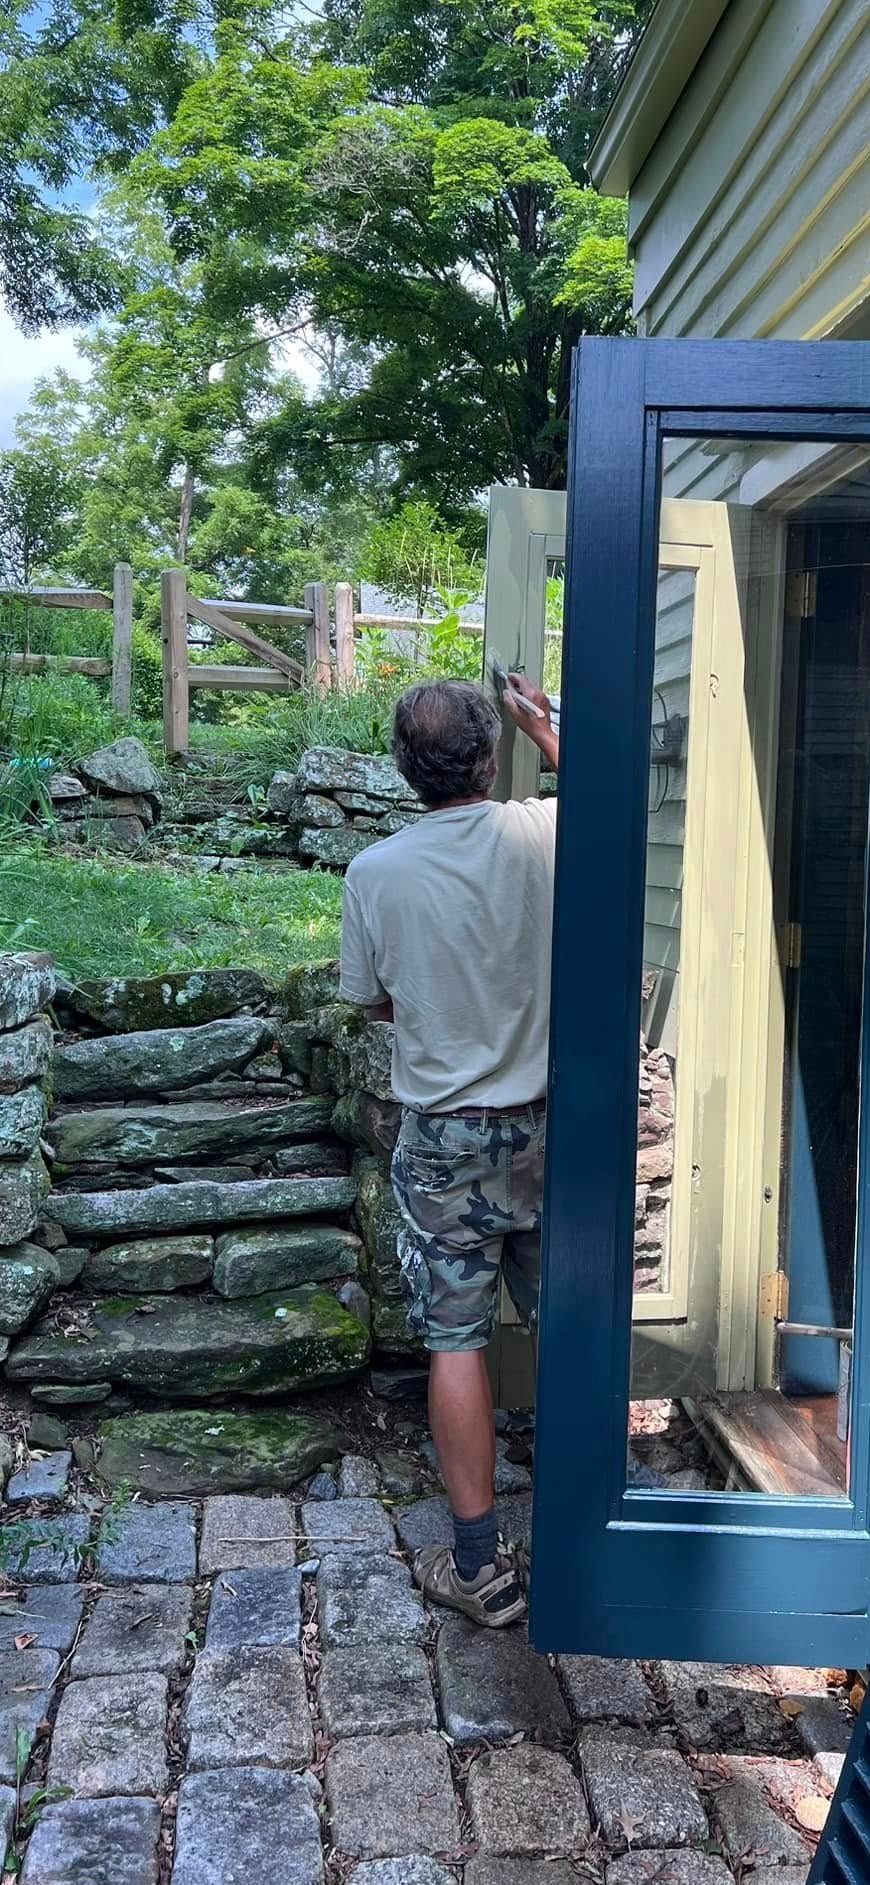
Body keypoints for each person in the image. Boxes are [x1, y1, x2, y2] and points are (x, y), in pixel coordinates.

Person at [339, 671, 558, 1626]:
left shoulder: (375, 872)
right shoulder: (546, 834)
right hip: (557, 1127)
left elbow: (371, 998)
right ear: (491, 755)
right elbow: (613, 800)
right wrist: (546, 728)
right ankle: (597, 1534)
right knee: (575, 1327)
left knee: (456, 1342)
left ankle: (480, 1566)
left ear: (401, 770)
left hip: (446, 1140)